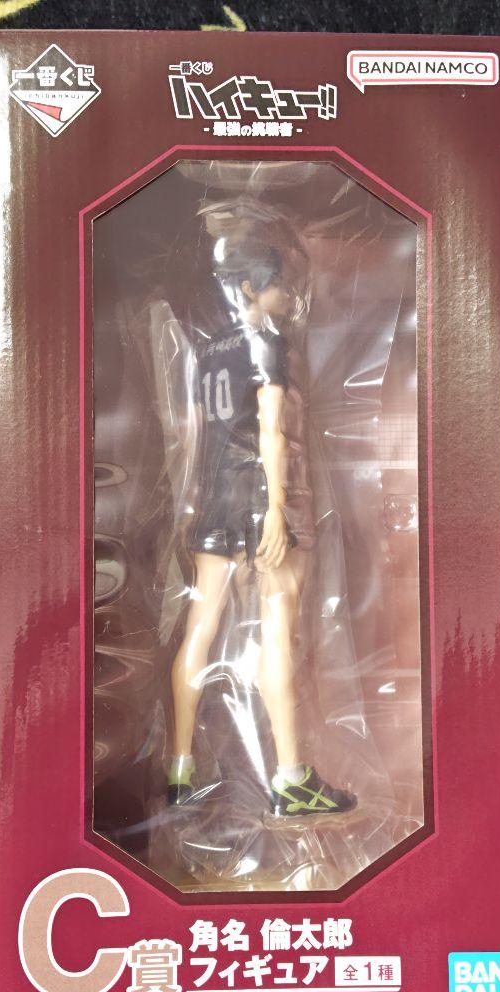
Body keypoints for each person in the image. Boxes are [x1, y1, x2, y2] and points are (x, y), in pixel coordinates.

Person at [167, 239, 357, 819]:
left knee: (199, 629)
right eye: (277, 284)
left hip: (212, 498)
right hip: (256, 499)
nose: (286, 294)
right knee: (278, 631)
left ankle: (179, 770)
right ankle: (291, 778)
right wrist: (276, 508)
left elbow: (199, 434)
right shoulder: (266, 344)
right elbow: (271, 433)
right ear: (250, 288)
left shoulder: (205, 351)